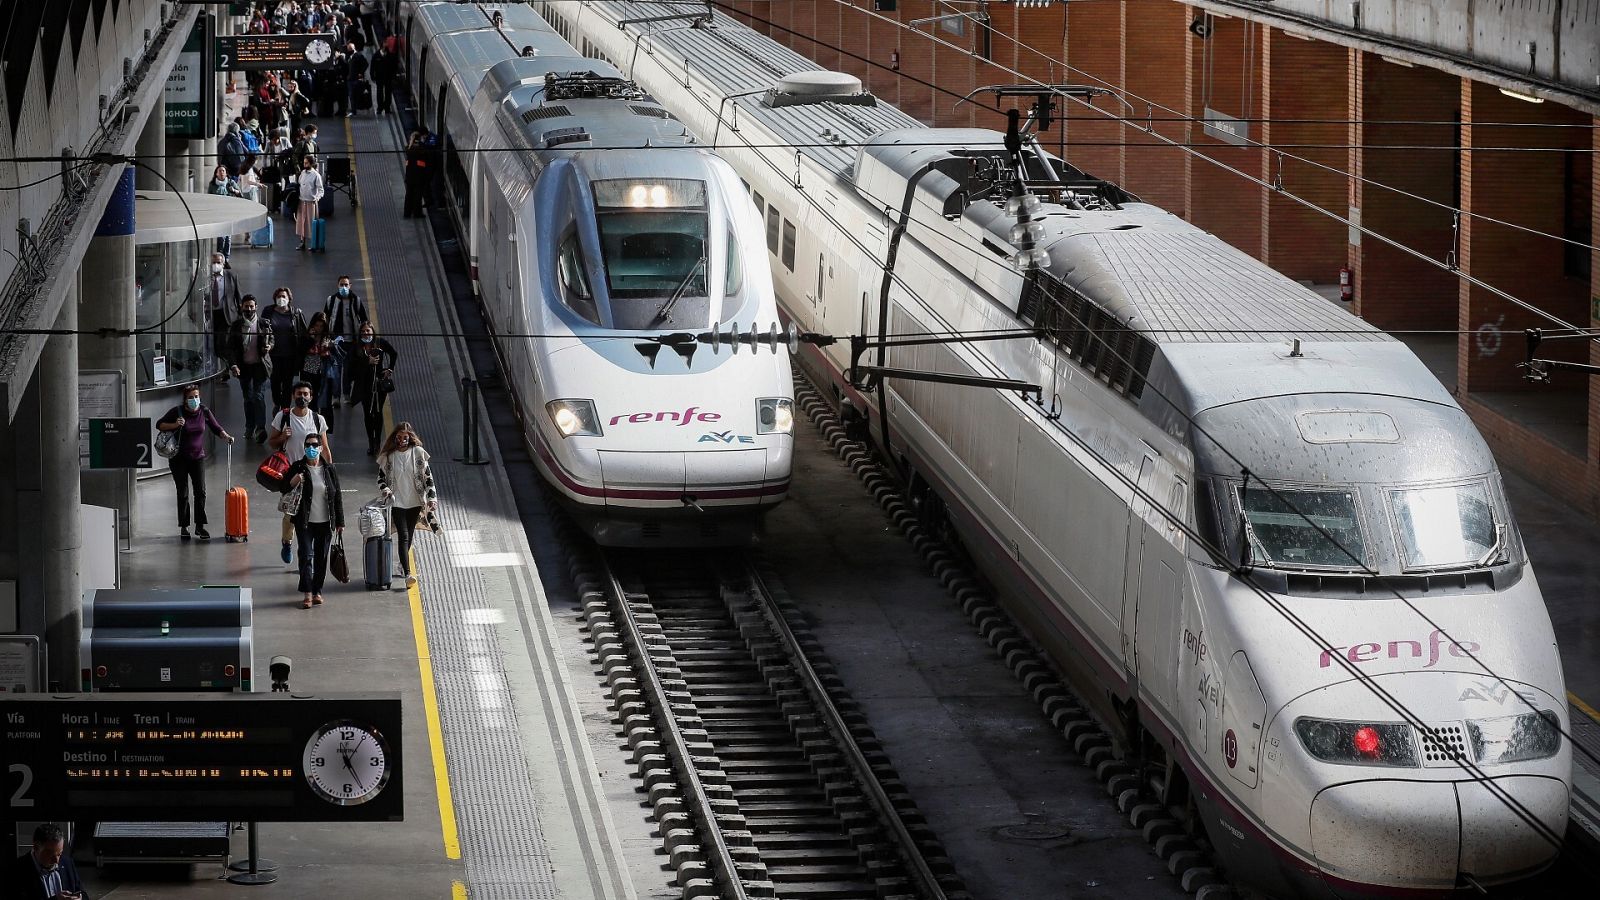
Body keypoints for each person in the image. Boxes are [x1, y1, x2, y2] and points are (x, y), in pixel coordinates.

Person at [156, 384, 234, 541]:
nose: (194, 400)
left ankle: (200, 526)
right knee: (183, 492)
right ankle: (184, 526)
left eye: (196, 396)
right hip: (179, 459)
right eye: (191, 397)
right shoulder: (177, 412)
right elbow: (159, 425)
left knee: (200, 492)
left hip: (198, 457)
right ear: (185, 399)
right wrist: (175, 425)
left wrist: (226, 436)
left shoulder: (204, 411)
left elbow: (215, 426)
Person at [270, 381, 333, 566]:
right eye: (299, 393)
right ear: (293, 395)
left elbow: (325, 448)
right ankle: (287, 542)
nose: (302, 397)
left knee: (310, 514)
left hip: (314, 472)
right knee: (290, 513)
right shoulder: (283, 416)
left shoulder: (317, 419)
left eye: (306, 394)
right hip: (291, 473)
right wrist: (283, 437)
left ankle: (305, 554)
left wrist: (329, 472)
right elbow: (271, 442)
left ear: (311, 397)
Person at [284, 424, 344, 608]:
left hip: (325, 522)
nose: (311, 448)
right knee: (305, 555)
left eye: (314, 445)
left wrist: (340, 522)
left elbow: (337, 495)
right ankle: (308, 593)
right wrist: (295, 480)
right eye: (308, 445)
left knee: (321, 557)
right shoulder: (298, 467)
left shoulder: (329, 470)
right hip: (304, 522)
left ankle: (317, 590)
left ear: (320, 447)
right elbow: (283, 487)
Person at [377, 422, 438, 587]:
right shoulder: (389, 457)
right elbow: (380, 478)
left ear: (410, 437)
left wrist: (432, 498)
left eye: (405, 437)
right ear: (394, 437)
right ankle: (408, 573)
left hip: (415, 502)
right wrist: (387, 490)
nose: (402, 440)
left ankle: (402, 565)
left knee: (409, 536)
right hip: (397, 503)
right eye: (399, 437)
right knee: (403, 537)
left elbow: (428, 478)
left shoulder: (418, 453)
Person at [226, 294, 274, 443]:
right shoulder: (236, 326)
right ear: (242, 307)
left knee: (258, 396)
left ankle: (260, 428)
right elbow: (231, 348)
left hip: (260, 366)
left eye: (251, 306)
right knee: (248, 398)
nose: (249, 309)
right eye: (246, 306)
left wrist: (269, 346)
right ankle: (249, 426)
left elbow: (271, 338)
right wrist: (233, 365)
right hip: (244, 367)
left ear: (256, 307)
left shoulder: (263, 323)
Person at [348, 322, 397, 454]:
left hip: (379, 384)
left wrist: (390, 369)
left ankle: (377, 442)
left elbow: (393, 353)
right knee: (368, 413)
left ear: (373, 331)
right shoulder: (356, 346)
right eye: (363, 331)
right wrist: (366, 361)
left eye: (368, 331)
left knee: (378, 411)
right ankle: (370, 441)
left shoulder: (380, 342)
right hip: (364, 385)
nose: (365, 334)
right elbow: (350, 365)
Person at [7, 822, 88, 899]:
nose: (56, 861)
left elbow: (83, 894)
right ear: (36, 847)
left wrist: (80, 898)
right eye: (50, 854)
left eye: (59, 854)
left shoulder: (67, 863)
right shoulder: (16, 870)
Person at [323, 274, 368, 402]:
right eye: (341, 284)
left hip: (351, 341)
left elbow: (364, 319)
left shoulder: (356, 301)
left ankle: (346, 394)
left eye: (346, 285)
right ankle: (336, 396)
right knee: (336, 370)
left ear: (350, 286)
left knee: (348, 370)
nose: (344, 287)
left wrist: (363, 336)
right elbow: (325, 319)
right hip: (335, 341)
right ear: (338, 286)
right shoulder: (331, 300)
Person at [264, 287, 308, 410]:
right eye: (279, 296)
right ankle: (277, 403)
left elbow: (303, 333)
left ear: (289, 299)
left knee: (287, 383)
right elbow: (262, 329)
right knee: (275, 382)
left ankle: (285, 409)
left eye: (284, 296)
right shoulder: (268, 311)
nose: (281, 299)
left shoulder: (296, 314)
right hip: (273, 355)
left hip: (290, 355)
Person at [203, 251, 242, 376]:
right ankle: (215, 369)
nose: (215, 265)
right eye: (213, 262)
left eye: (218, 262)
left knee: (223, 342)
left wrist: (241, 314)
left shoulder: (231, 276)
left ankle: (224, 370)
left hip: (226, 315)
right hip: (211, 314)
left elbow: (238, 296)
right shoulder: (204, 277)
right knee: (212, 343)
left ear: (223, 264)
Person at [300, 311, 336, 421]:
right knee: (310, 400)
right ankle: (311, 422)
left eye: (321, 326)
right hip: (308, 372)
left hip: (324, 373)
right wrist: (311, 339)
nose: (319, 328)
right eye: (316, 325)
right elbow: (301, 350)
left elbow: (335, 354)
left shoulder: (328, 338)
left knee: (324, 400)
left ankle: (323, 426)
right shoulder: (307, 336)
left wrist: (330, 347)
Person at [206, 165, 242, 256]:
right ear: (216, 173)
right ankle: (220, 256)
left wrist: (234, 190)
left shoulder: (230, 183)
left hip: (229, 212)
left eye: (223, 171)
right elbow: (208, 198)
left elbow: (240, 194)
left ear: (226, 173)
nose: (222, 172)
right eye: (220, 171)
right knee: (221, 236)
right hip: (218, 213)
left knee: (228, 237)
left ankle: (226, 258)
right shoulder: (212, 185)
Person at [295, 154, 325, 252]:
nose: (304, 165)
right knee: (301, 222)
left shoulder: (316, 175)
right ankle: (302, 242)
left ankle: (313, 243)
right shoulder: (302, 173)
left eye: (306, 163)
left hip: (311, 203)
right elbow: (299, 184)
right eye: (304, 163)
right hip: (302, 201)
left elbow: (321, 190)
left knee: (311, 223)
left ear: (311, 164)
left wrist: (317, 198)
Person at [403, 131, 429, 218]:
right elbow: (426, 156)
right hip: (419, 176)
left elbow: (407, 148)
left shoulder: (408, 148)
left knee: (409, 195)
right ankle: (417, 213)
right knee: (417, 196)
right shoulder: (422, 148)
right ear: (419, 138)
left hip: (409, 176)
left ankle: (407, 213)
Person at [370, 42, 398, 114]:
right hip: (379, 78)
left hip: (388, 77)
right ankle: (380, 108)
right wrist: (372, 76)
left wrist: (393, 77)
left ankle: (387, 108)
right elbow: (372, 67)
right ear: (381, 47)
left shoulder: (391, 55)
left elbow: (394, 67)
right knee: (379, 93)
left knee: (388, 93)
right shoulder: (376, 55)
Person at [344, 41, 369, 116]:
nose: (349, 50)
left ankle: (361, 107)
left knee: (357, 94)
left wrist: (361, 73)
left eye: (350, 49)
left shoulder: (359, 56)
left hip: (356, 79)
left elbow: (366, 64)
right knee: (351, 95)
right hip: (350, 79)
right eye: (348, 49)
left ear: (353, 48)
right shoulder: (348, 56)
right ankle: (353, 110)